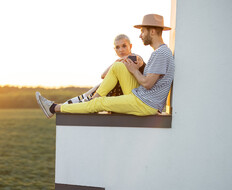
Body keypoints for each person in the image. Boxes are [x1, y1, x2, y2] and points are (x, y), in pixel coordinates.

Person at [36, 14, 175, 118]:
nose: (140, 35)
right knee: (118, 66)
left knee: (100, 103)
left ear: (152, 31)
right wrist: (138, 67)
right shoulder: (159, 52)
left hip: (146, 104)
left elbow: (148, 84)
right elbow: (148, 81)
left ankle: (54, 108)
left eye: (143, 31)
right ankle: (93, 99)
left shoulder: (161, 53)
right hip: (142, 97)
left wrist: (134, 70)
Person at [64, 34, 145, 104]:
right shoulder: (118, 62)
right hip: (121, 93)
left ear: (130, 46)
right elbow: (103, 75)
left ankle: (85, 98)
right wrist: (115, 63)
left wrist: (121, 61)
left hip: (134, 93)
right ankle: (84, 97)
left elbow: (140, 62)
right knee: (105, 82)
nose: (121, 50)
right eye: (117, 47)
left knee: (104, 83)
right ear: (115, 50)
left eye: (124, 46)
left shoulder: (135, 57)